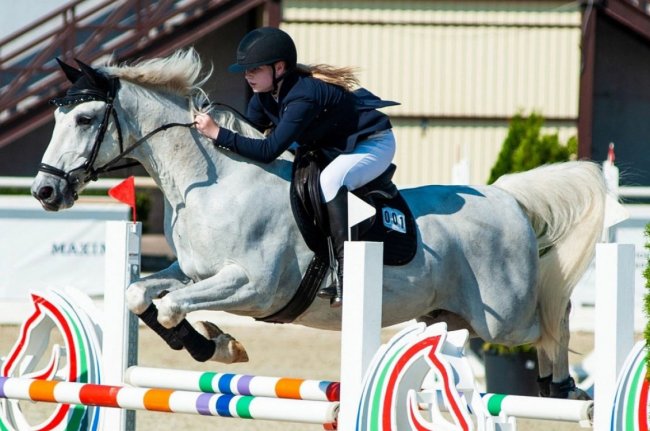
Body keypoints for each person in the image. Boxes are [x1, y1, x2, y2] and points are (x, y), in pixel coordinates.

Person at [194, 27, 397, 307]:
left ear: (279, 68)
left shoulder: (303, 96)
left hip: (372, 143)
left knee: (331, 181)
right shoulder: (264, 95)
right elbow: (251, 133)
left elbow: (267, 150)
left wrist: (218, 133)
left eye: (254, 69)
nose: (247, 75)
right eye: (246, 70)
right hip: (331, 145)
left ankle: (348, 275)